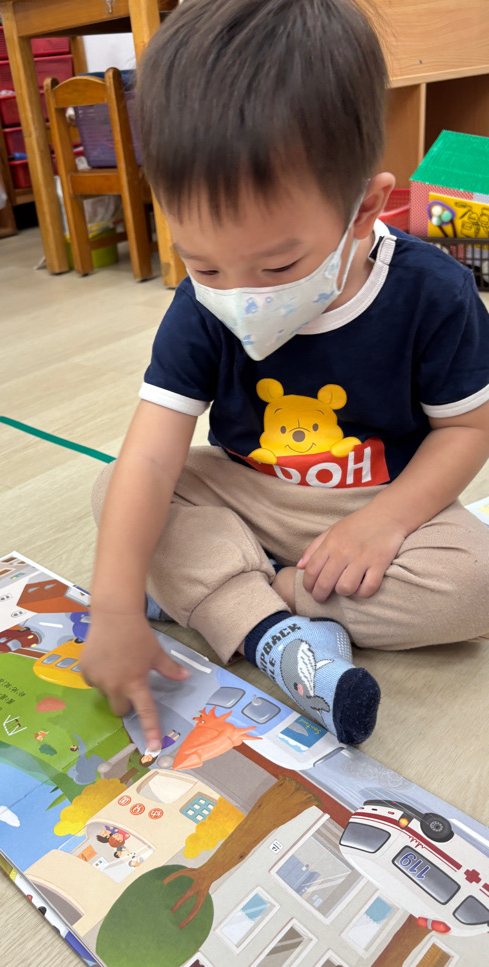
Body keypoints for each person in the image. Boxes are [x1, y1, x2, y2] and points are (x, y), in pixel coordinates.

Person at [82, 0, 489, 749]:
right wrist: (111, 611)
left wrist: (383, 522)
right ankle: (278, 627)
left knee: (476, 584)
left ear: (364, 207)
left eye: (277, 266)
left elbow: (467, 428)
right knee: (117, 489)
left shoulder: (432, 291)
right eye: (204, 264)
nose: (239, 292)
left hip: (380, 498)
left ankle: (246, 598)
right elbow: (150, 456)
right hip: (250, 490)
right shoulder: (199, 305)